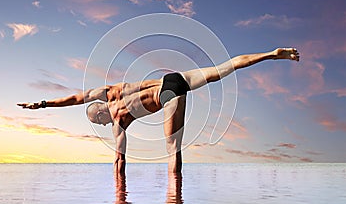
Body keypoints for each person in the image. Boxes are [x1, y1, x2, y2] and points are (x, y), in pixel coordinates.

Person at [18, 47, 300, 173]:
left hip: (167, 95)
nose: (104, 125)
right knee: (224, 68)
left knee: (172, 151)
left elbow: (120, 162)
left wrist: (120, 194)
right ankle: (272, 54)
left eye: (100, 122)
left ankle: (174, 201)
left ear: (102, 114)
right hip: (172, 78)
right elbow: (73, 97)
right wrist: (41, 104)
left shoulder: (117, 120)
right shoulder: (107, 91)